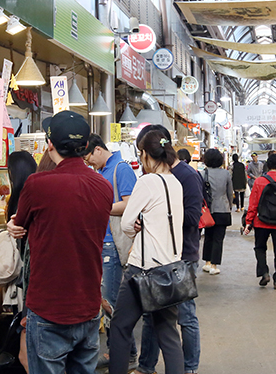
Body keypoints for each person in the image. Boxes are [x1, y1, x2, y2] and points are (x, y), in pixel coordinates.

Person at [7, 111, 113, 374]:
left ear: (49, 144)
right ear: (86, 147)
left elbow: (19, 224)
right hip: (88, 305)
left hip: (48, 308)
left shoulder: (37, 184)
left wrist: (12, 226)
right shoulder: (103, 186)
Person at [109, 130, 185, 374]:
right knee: (169, 335)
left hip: (142, 269)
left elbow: (126, 223)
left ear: (145, 155)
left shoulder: (146, 181)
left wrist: (136, 228)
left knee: (121, 326)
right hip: (170, 268)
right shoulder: (175, 182)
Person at [135, 125, 203, 374]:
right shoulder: (154, 178)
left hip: (181, 257)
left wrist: (157, 217)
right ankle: (146, 366)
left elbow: (193, 217)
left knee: (185, 316)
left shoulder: (186, 176)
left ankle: (189, 367)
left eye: (143, 152)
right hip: (155, 257)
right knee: (151, 314)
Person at [83, 134, 138, 369]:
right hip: (102, 242)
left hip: (114, 245)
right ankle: (124, 351)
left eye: (88, 158)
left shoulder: (120, 169)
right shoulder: (101, 171)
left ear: (97, 149)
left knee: (112, 302)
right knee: (109, 301)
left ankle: (123, 354)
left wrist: (99, 208)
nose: (88, 163)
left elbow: (131, 203)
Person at [4, 151, 38, 374]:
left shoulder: (18, 201)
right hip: (34, 277)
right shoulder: (36, 195)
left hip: (29, 280)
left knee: (28, 349)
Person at [244, 153, 276, 290]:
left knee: (260, 248)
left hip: (261, 221)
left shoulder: (259, 181)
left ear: (267, 165)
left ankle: (264, 273)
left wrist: (249, 222)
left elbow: (253, 204)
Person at [201, 149, 233, 275]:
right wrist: (229, 206)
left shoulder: (203, 174)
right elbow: (230, 193)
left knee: (208, 236)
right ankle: (214, 265)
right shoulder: (226, 174)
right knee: (218, 238)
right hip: (222, 209)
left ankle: (207, 263)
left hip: (208, 210)